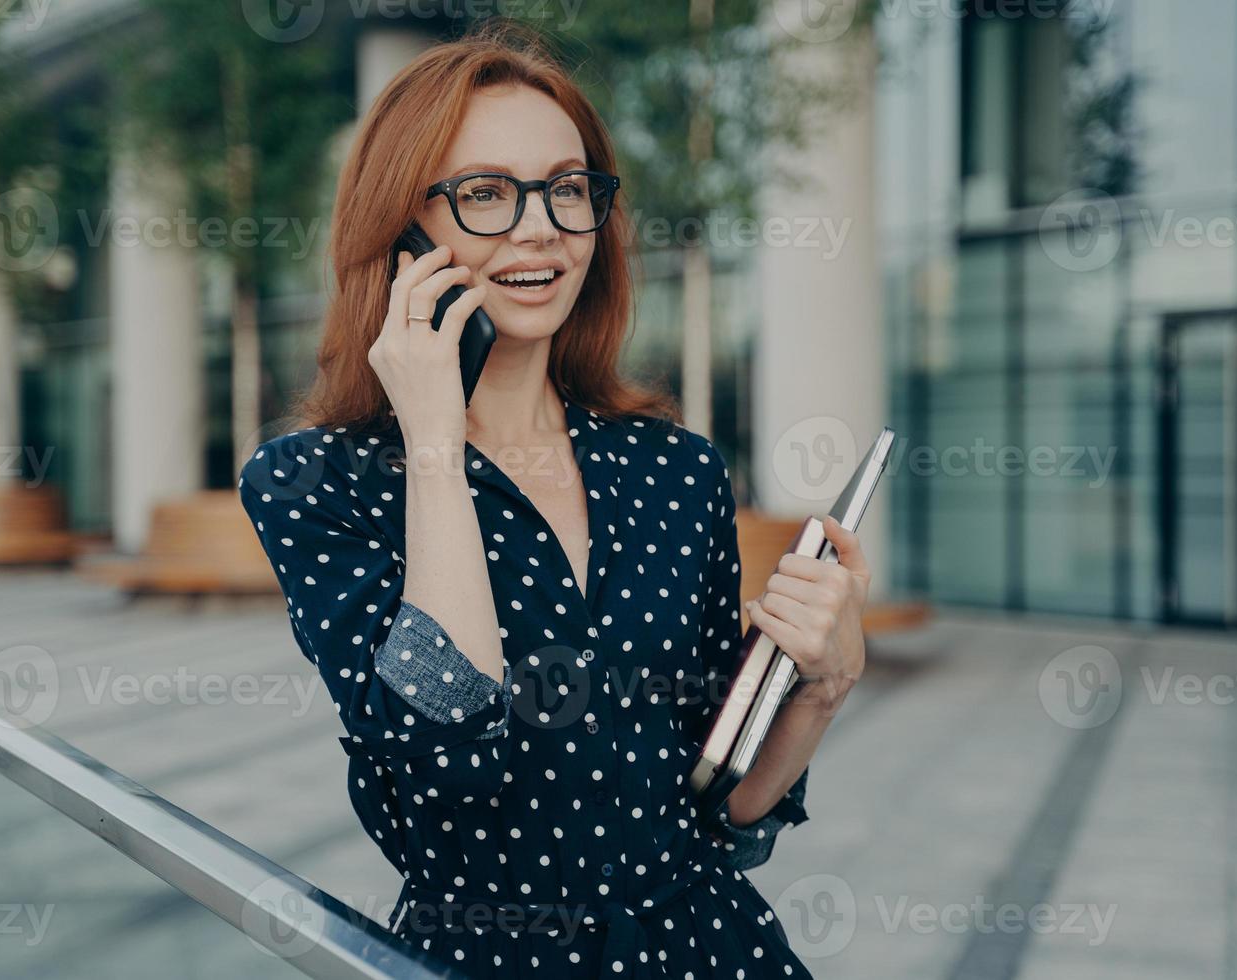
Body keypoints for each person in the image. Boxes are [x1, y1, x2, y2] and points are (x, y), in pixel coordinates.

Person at [238, 20, 870, 979]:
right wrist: (437, 444)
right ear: (401, 228)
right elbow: (448, 757)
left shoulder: (677, 470)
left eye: (567, 191)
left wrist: (819, 692)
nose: (540, 227)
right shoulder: (318, 482)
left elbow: (721, 809)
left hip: (710, 951)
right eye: (485, 194)